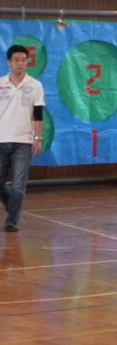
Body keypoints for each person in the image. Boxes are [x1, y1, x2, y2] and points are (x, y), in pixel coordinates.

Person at [0, 45, 45, 233]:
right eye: (16, 60)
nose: (20, 63)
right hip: (1, 139)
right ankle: (12, 203)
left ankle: (12, 220)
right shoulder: (1, 83)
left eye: (24, 60)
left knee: (19, 183)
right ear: (9, 62)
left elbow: (38, 114)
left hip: (23, 142)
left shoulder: (35, 85)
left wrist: (37, 137)